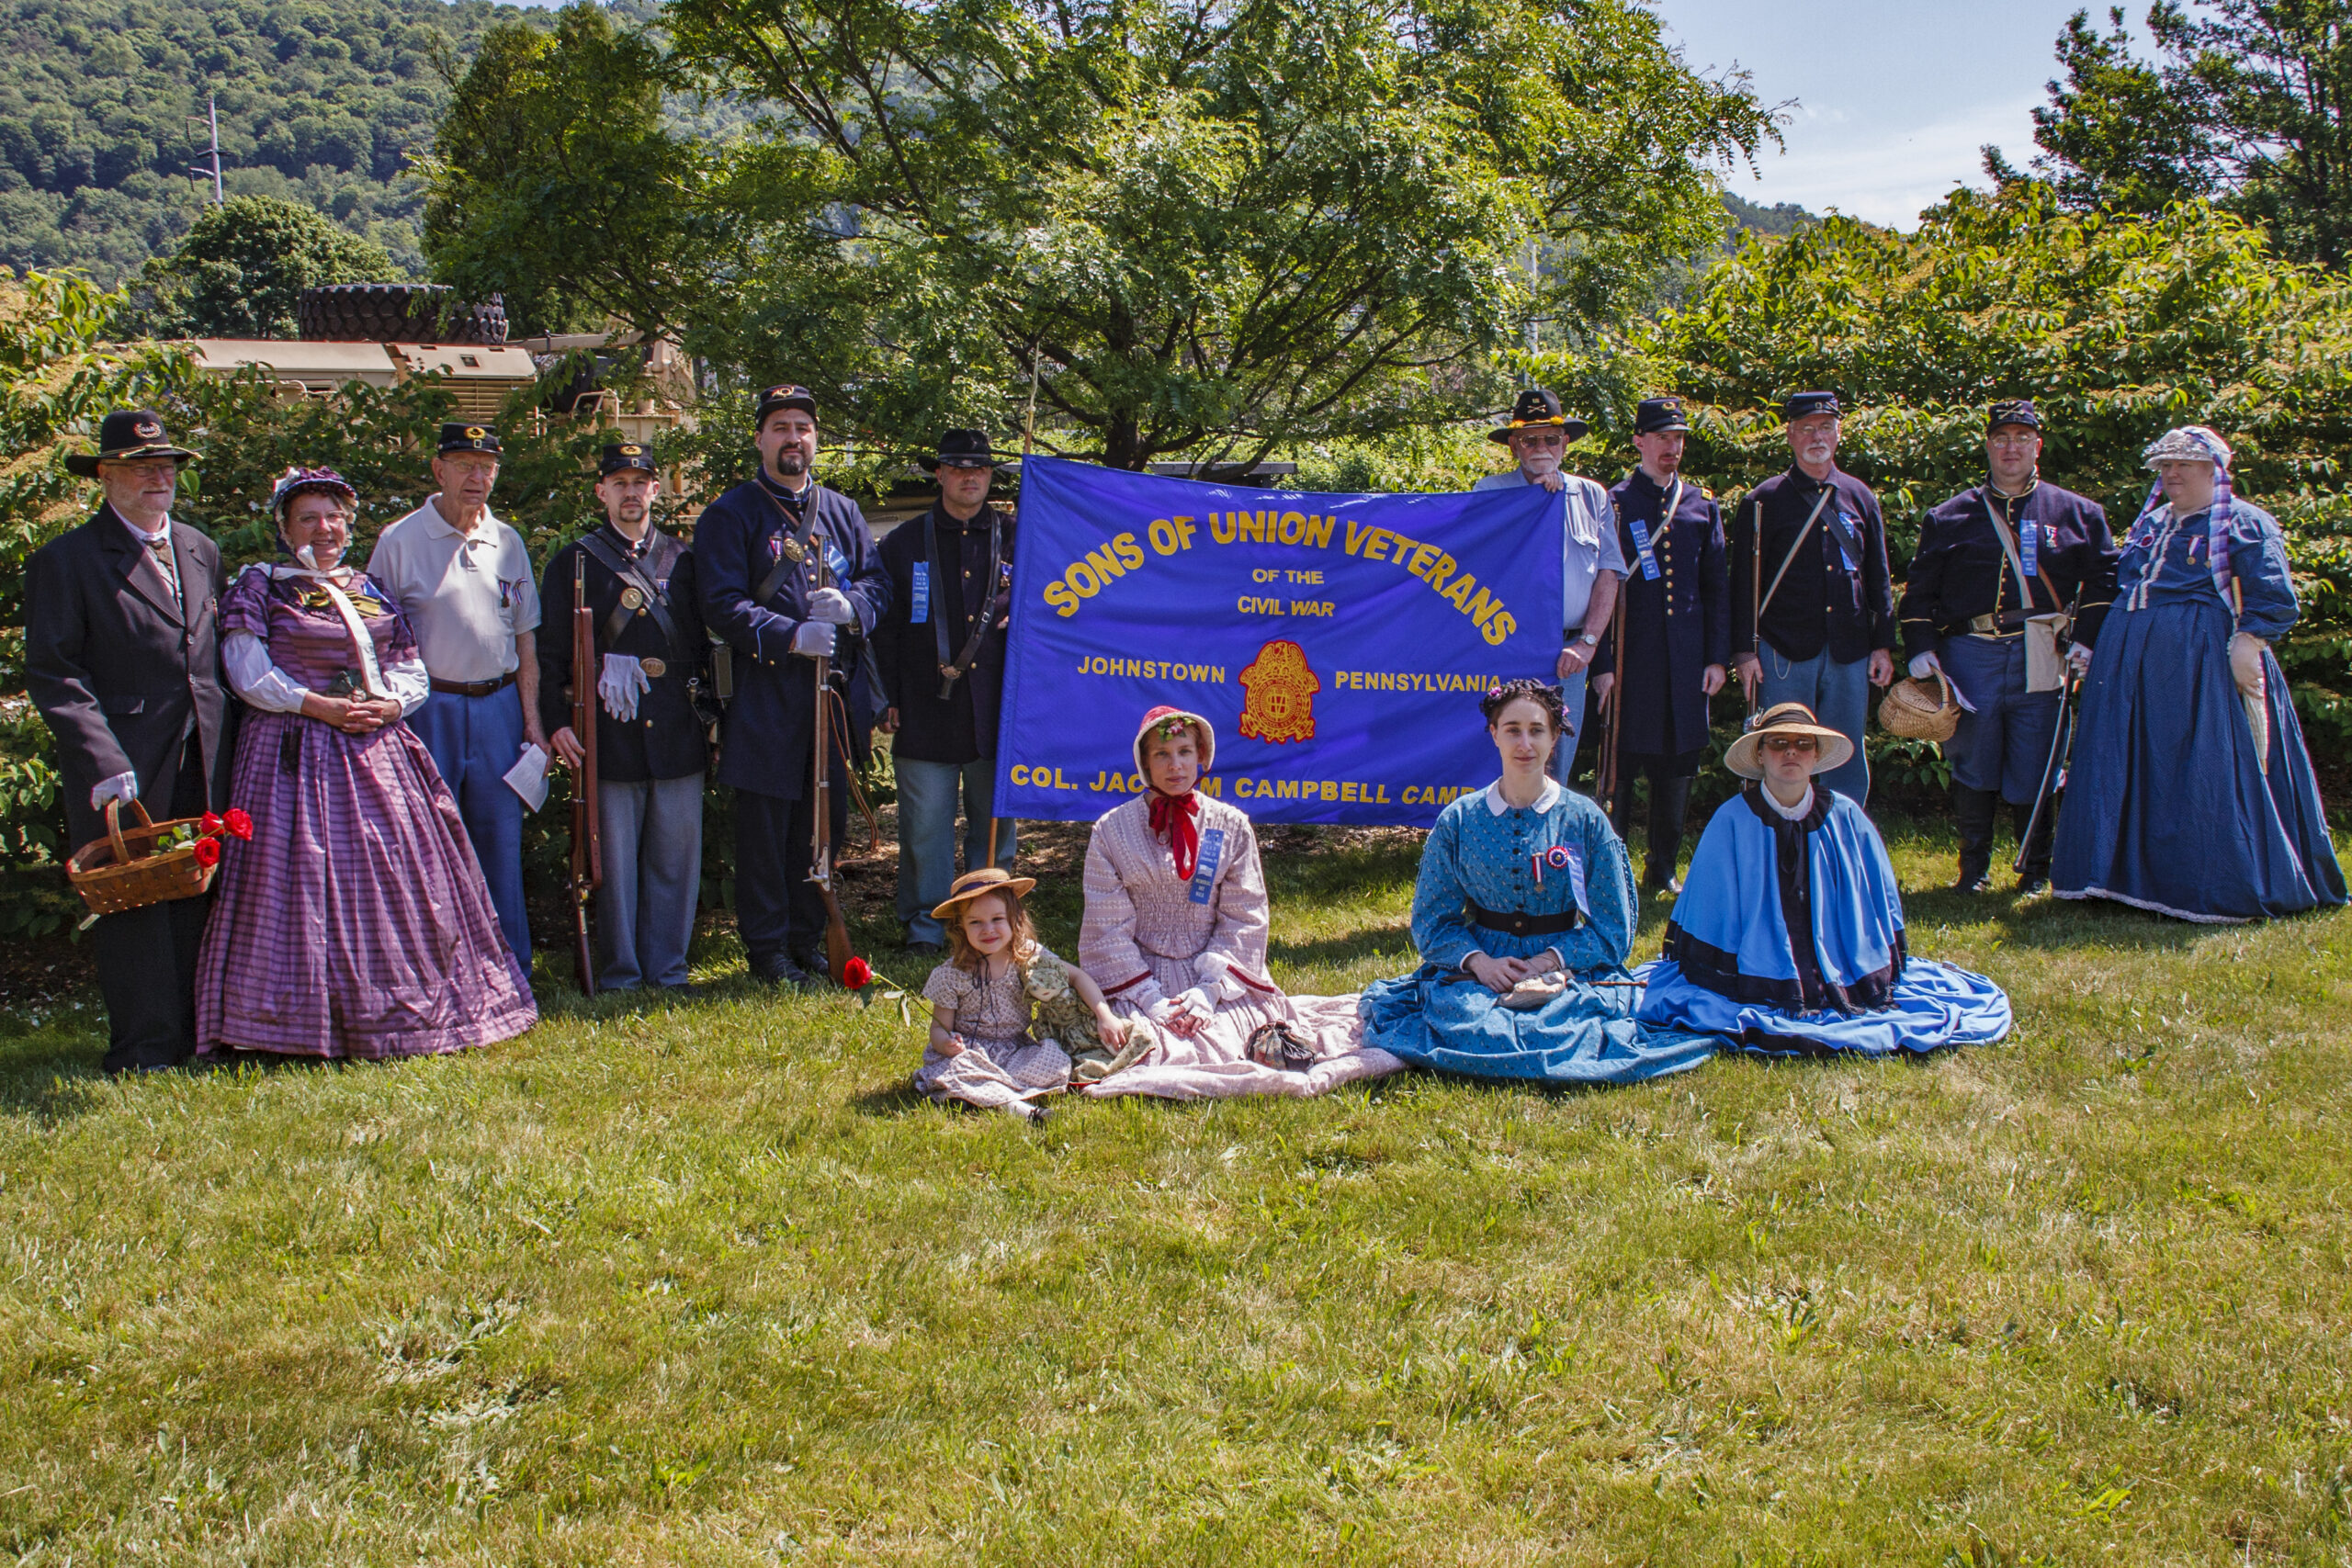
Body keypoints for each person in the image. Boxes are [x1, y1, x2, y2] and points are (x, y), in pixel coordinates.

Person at [193, 468, 537, 1059]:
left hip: (375, 747)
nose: (323, 529)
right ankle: (293, 1019)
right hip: (294, 753)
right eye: (308, 518)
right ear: (284, 528)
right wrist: (315, 705)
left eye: (333, 517)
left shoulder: (367, 587)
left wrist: (392, 703)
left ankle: (400, 1007)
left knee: (398, 872)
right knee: (300, 874)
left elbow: (407, 662)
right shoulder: (262, 586)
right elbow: (245, 668)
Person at [2052, 426, 2347, 921]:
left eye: (2184, 465)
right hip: (2131, 667)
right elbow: (2127, 587)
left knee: (2199, 764)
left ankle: (2209, 881)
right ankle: (2117, 879)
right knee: (2129, 762)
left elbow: (2272, 594)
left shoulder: (2243, 522)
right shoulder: (2151, 523)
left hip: (2200, 664)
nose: (2172, 473)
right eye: (2166, 465)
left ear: (2214, 470)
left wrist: (2249, 642)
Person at [1357, 680, 1716, 1084]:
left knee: (1563, 1021)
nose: (1525, 743)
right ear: (1494, 734)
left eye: (1536, 730)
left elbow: (1613, 928)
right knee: (1468, 1018)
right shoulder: (1459, 820)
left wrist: (1548, 962)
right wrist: (1480, 963)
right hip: (1484, 965)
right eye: (1513, 730)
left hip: (1565, 967)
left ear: (1554, 737)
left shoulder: (1585, 819)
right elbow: (1432, 920)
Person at [24, 410, 232, 1073]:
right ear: (105, 476)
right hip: (124, 758)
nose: (157, 477)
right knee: (135, 898)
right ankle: (143, 1047)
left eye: (166, 466)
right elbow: (54, 673)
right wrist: (102, 757)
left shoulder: (200, 548)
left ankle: (200, 1035)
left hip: (206, 749)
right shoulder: (66, 561)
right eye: (140, 468)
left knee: (200, 885)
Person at [1634, 704, 2012, 1055]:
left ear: (1816, 756)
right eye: (1778, 743)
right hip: (1749, 965)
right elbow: (1709, 904)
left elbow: (1873, 898)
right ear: (1760, 754)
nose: (1791, 752)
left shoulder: (1847, 817)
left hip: (1840, 957)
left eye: (1803, 744)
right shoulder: (1730, 820)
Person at [1076, 705, 1401, 1100]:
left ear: (1201, 756)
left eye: (1185, 751)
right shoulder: (1111, 831)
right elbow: (1107, 927)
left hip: (1215, 970)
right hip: (1140, 973)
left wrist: (1208, 991)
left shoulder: (1229, 825)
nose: (1175, 765)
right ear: (1144, 763)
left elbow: (1244, 915)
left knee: (1234, 1037)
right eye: (1162, 754)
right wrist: (1151, 999)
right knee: (1146, 1041)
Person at [696, 384, 890, 986]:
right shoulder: (731, 514)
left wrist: (853, 606)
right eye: (780, 427)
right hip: (766, 697)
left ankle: (808, 938)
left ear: (815, 439)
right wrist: (790, 635)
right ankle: (768, 949)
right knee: (766, 828)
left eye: (802, 428)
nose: (792, 438)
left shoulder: (842, 512)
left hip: (830, 698)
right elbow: (721, 602)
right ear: (760, 438)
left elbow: (877, 582)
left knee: (822, 824)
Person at [1898, 400, 2118, 894]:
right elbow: (1920, 591)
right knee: (1971, 757)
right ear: (1988, 446)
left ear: (2038, 446)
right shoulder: (1950, 516)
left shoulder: (2078, 513)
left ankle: (2035, 870)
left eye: (2021, 438)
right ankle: (1973, 871)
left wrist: (2086, 640)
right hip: (1970, 652)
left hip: (2042, 650)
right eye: (2001, 438)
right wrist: (1920, 645)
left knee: (2038, 758)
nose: (2011, 448)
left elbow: (2105, 582)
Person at [367, 423, 546, 972]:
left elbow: (526, 640)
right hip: (429, 711)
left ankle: (510, 969)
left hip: (498, 709)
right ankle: (438, 973)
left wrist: (533, 724)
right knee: (428, 844)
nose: (477, 477)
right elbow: (374, 639)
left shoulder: (508, 541)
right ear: (438, 470)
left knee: (500, 842)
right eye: (465, 464)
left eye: (486, 466)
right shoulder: (399, 541)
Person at [537, 443, 709, 993]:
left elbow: (705, 650)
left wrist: (713, 718)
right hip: (608, 736)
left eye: (640, 482)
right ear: (602, 492)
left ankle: (668, 968)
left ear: (656, 489)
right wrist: (557, 721)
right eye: (619, 483)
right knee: (612, 864)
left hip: (677, 730)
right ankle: (621, 973)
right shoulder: (573, 562)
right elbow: (549, 655)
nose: (631, 493)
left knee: (675, 861)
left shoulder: (684, 560)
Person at [875, 429, 1019, 953]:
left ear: (990, 476)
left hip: (996, 710)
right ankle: (925, 927)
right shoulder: (903, 543)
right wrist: (885, 696)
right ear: (939, 474)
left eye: (978, 468)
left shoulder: (1018, 537)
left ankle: (993, 925)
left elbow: (1051, 607)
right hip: (922, 707)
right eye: (957, 468)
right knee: (924, 831)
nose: (969, 477)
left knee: (994, 830)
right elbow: (883, 628)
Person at [1729, 392, 1895, 805]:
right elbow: (1742, 585)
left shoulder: (1860, 496)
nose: (1816, 437)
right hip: (1783, 651)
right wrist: (1744, 652)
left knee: (1845, 751)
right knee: (1783, 749)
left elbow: (1878, 577)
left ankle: (1842, 828)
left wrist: (1883, 645)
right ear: (1790, 435)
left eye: (1825, 427)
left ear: (1838, 433)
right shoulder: (1762, 501)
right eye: (1806, 428)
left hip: (1849, 648)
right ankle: (1783, 827)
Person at [1595, 394, 1729, 895]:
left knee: (1678, 765)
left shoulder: (1700, 505)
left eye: (1678, 439)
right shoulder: (1614, 502)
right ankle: (1613, 871)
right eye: (1661, 438)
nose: (1672, 448)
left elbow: (1716, 588)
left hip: (1685, 664)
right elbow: (1597, 589)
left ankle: (1662, 866)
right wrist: (1602, 663)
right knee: (1621, 766)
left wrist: (1716, 658)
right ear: (1639, 442)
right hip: (1632, 662)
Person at [1474, 389, 1625, 781]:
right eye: (1530, 439)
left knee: (1556, 760)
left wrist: (1588, 644)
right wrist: (1532, 501)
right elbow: (1478, 567)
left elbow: (1609, 572)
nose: (1542, 447)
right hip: (1507, 647)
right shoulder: (1488, 493)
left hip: (1569, 653)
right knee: (1502, 756)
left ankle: (1550, 826)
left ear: (1565, 442)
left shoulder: (1592, 495)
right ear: (1513, 445)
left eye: (1551, 438)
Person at [916, 868, 1128, 1122]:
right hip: (971, 1053)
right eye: (975, 922)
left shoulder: (1026, 956)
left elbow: (1077, 977)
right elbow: (938, 1029)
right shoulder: (952, 974)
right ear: (960, 927)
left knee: (1055, 1059)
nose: (988, 929)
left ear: (1014, 918)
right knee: (958, 1069)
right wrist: (946, 1044)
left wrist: (1104, 1015)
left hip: (1015, 1050)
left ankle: (983, 1092)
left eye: (997, 919)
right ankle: (1021, 1110)